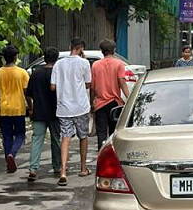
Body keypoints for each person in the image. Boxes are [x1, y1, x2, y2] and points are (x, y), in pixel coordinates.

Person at [50, 38, 92, 186]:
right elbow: (88, 84)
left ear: (70, 47)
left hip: (63, 108)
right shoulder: (84, 63)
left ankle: (63, 171)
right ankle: (83, 168)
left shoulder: (58, 64)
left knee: (65, 138)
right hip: (80, 107)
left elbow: (53, 87)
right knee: (83, 136)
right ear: (81, 49)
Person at [25, 47, 61, 181]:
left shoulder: (36, 73)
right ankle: (57, 166)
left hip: (39, 111)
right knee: (56, 140)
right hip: (56, 112)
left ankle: (33, 168)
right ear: (56, 59)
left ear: (44, 58)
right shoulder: (57, 73)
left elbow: (28, 94)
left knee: (37, 139)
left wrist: (31, 108)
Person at [0, 45, 30, 173]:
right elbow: (27, 92)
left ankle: (8, 161)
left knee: (7, 137)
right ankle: (12, 154)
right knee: (20, 135)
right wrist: (30, 107)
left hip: (3, 109)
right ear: (15, 57)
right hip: (18, 108)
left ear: (4, 58)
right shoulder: (22, 73)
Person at [91, 39, 130, 150]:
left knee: (101, 134)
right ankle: (113, 157)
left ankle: (101, 157)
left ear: (101, 51)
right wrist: (129, 99)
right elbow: (122, 83)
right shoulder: (119, 64)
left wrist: (91, 102)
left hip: (100, 104)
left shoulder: (95, 65)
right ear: (114, 50)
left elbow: (93, 87)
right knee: (114, 134)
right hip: (115, 103)